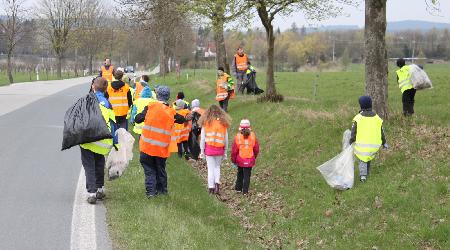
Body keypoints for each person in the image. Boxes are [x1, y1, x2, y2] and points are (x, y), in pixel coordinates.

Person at [134, 86, 186, 198]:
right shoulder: (171, 112)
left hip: (147, 147)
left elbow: (138, 119)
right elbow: (182, 119)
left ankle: (151, 193)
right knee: (160, 170)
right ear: (168, 97)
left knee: (149, 170)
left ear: (157, 95)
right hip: (161, 148)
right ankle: (162, 191)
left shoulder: (150, 107)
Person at [80, 77, 118, 204]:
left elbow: (79, 120)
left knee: (89, 166)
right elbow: (113, 124)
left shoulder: (86, 101)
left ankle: (91, 193)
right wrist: (115, 141)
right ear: (106, 89)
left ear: (92, 87)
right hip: (102, 140)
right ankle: (100, 189)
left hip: (87, 140)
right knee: (99, 163)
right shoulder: (107, 103)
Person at [349, 96, 388, 182]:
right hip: (373, 145)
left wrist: (351, 141)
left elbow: (353, 132)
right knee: (368, 158)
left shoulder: (358, 118)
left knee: (362, 160)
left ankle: (363, 176)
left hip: (361, 145)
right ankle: (367, 172)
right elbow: (382, 131)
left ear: (361, 106)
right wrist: (384, 143)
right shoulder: (377, 118)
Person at [198, 105, 231, 194]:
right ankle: (217, 184)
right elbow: (226, 139)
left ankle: (211, 188)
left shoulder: (206, 123)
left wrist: (202, 151)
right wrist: (225, 151)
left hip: (209, 149)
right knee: (217, 167)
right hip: (220, 149)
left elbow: (203, 139)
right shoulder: (223, 123)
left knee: (210, 169)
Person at [231, 119, 260, 195]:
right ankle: (245, 191)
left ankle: (238, 188)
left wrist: (233, 160)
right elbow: (256, 149)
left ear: (240, 128)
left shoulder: (238, 137)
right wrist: (254, 156)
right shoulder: (253, 136)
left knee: (240, 173)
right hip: (250, 158)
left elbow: (234, 150)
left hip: (240, 159)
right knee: (247, 175)